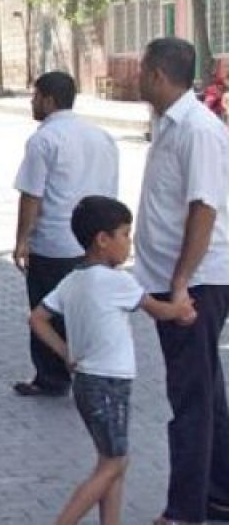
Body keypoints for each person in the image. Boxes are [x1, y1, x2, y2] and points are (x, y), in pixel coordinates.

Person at [29, 196, 197, 525]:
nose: (128, 243)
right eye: (124, 234)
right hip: (110, 383)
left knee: (112, 459)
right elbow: (158, 310)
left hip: (87, 382)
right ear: (103, 240)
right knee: (113, 464)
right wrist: (181, 307)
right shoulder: (118, 281)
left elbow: (37, 318)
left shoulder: (73, 279)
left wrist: (65, 353)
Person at [132, 37, 229, 525]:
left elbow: (204, 207)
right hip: (174, 277)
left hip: (196, 282)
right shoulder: (168, 123)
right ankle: (219, 492)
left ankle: (185, 510)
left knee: (190, 398)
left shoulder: (198, 129)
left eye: (142, 68)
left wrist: (181, 280)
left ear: (157, 74)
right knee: (206, 390)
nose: (137, 76)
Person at [12, 72, 119, 398]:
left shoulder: (44, 139)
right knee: (86, 311)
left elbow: (32, 194)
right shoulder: (102, 136)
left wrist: (22, 239)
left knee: (49, 311)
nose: (32, 102)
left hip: (53, 241)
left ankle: (52, 376)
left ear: (48, 99)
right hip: (94, 240)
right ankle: (94, 369)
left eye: (35, 96)